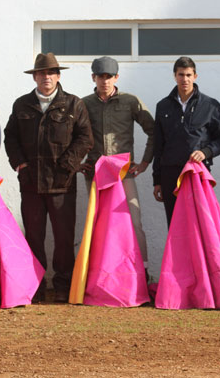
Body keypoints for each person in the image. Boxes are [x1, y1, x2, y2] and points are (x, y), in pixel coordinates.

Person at [4, 52, 93, 303]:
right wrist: (20, 164)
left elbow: (85, 138)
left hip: (62, 184)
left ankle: (63, 285)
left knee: (64, 238)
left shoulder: (74, 104)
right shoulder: (21, 104)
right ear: (35, 77)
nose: (46, 77)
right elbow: (10, 136)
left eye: (51, 73)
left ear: (58, 76)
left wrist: (67, 165)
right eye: (41, 73)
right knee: (33, 237)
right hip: (31, 183)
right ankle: (36, 286)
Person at [80, 56, 155, 277]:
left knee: (134, 221)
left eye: (109, 76)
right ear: (93, 77)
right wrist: (77, 162)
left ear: (116, 77)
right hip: (95, 174)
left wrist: (144, 162)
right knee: (99, 226)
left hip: (124, 173)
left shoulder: (130, 101)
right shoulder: (84, 104)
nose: (105, 81)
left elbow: (154, 131)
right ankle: (99, 275)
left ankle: (143, 272)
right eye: (100, 77)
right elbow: (72, 136)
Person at [153, 56, 220, 227]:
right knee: (175, 225)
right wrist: (157, 180)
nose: (185, 79)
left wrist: (206, 152)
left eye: (189, 75)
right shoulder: (163, 106)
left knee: (200, 225)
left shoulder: (210, 105)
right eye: (181, 74)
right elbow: (158, 145)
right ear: (175, 76)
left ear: (195, 76)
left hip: (197, 173)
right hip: (170, 175)